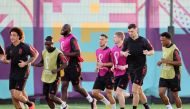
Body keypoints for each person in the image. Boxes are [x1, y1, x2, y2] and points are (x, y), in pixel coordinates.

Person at [60, 24, 96, 109]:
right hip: (66, 66)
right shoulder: (61, 39)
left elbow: (77, 53)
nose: (62, 29)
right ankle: (64, 106)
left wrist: (65, 54)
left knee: (77, 87)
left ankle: (91, 100)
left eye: (65, 28)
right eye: (62, 27)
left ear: (69, 30)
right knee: (64, 85)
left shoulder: (72, 39)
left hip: (74, 65)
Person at [1, 27, 38, 109]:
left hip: (23, 72)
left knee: (17, 94)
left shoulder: (25, 46)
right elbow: (8, 61)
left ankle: (30, 104)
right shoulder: (9, 48)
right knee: (14, 96)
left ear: (18, 37)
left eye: (14, 35)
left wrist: (26, 63)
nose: (11, 37)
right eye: (11, 35)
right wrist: (3, 60)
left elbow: (36, 54)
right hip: (13, 73)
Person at [121, 24, 154, 109]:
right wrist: (124, 53)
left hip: (141, 68)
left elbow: (152, 51)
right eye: (129, 32)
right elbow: (122, 51)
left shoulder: (143, 40)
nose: (130, 33)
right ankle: (147, 106)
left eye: (132, 31)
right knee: (139, 90)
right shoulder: (127, 40)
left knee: (134, 90)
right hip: (131, 68)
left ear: (136, 30)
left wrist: (148, 53)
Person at [32, 36, 68, 109]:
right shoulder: (44, 52)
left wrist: (57, 70)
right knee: (46, 97)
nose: (47, 46)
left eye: (48, 44)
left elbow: (66, 63)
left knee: (52, 96)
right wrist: (34, 64)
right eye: (45, 44)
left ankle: (64, 105)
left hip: (55, 77)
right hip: (46, 77)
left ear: (52, 43)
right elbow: (42, 63)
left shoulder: (58, 53)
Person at [157, 32, 182, 109]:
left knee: (175, 95)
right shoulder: (163, 46)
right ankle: (169, 107)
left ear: (169, 39)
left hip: (174, 75)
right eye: (160, 40)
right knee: (161, 93)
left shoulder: (174, 50)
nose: (161, 42)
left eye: (163, 40)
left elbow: (179, 62)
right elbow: (165, 58)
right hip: (164, 75)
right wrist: (161, 62)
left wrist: (166, 61)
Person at [92, 34, 116, 109]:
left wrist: (103, 64)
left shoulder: (110, 51)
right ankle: (107, 103)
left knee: (109, 93)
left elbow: (112, 63)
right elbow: (98, 61)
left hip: (108, 75)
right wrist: (97, 67)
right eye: (99, 39)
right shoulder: (97, 51)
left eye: (102, 39)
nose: (100, 41)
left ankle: (113, 107)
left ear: (106, 40)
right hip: (100, 75)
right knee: (94, 93)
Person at [111, 32, 131, 109]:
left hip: (125, 73)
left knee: (119, 92)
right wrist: (113, 66)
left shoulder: (127, 48)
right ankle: (131, 95)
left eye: (115, 37)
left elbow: (133, 62)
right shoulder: (113, 48)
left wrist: (125, 67)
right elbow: (114, 61)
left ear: (120, 38)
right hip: (116, 73)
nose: (113, 38)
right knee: (116, 94)